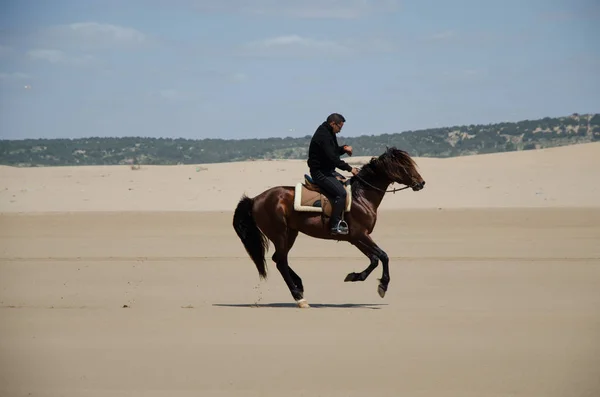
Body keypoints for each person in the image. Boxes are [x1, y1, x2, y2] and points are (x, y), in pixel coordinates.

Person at [307, 113, 359, 235]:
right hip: (320, 172)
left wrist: (343, 149)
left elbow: (333, 152)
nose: (340, 130)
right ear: (333, 124)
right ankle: (335, 225)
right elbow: (333, 159)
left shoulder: (329, 132)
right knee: (341, 193)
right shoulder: (323, 135)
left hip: (328, 170)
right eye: (339, 127)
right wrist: (350, 169)